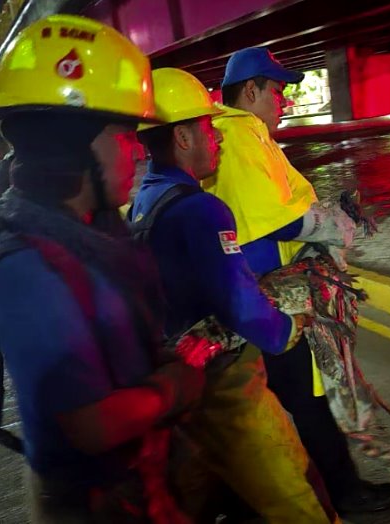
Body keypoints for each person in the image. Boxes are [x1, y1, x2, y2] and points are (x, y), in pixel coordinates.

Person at [0, 16, 206, 523]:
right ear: (76, 147)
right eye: (125, 140)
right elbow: (89, 424)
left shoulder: (93, 230)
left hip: (132, 481)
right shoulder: (30, 271)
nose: (136, 158)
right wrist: (175, 386)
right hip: (90, 502)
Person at [130, 67, 338, 523]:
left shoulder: (146, 200)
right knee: (293, 494)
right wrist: (287, 329)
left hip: (179, 375)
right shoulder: (202, 209)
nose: (219, 138)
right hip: (222, 382)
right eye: (209, 129)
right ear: (183, 138)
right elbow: (239, 302)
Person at [203, 47, 390, 515]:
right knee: (307, 400)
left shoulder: (243, 134)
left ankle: (262, 494)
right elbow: (280, 221)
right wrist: (337, 225)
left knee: (280, 401)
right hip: (270, 295)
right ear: (250, 90)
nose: (283, 102)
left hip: (258, 293)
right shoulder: (240, 137)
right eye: (276, 91)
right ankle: (338, 492)